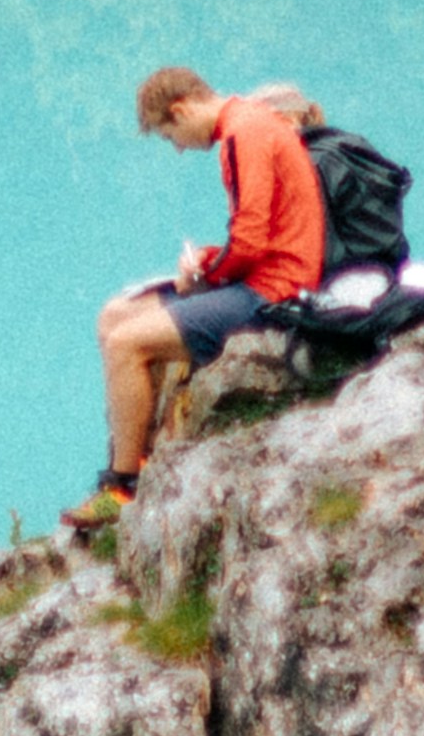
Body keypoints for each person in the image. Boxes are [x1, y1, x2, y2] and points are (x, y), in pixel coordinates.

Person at [82, 65, 322, 521]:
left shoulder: (243, 135)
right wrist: (211, 261)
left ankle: (121, 488)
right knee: (115, 315)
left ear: (181, 109)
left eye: (170, 135)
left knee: (125, 343)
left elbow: (250, 243)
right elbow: (258, 233)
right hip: (260, 276)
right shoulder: (248, 124)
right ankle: (142, 447)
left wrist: (204, 276)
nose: (177, 149)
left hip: (273, 293)